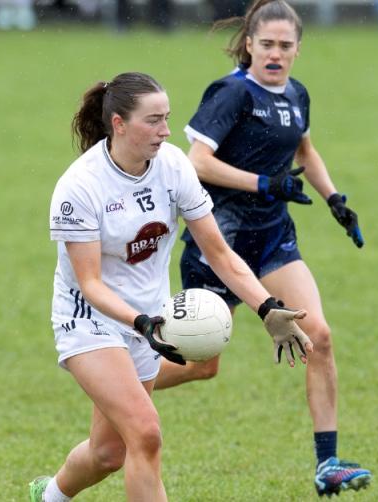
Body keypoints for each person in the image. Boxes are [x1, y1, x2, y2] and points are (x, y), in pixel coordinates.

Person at [30, 71, 313, 502]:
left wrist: (268, 308)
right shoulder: (80, 187)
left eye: (167, 118)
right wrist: (142, 323)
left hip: (152, 320)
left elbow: (218, 252)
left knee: (109, 453)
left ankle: (47, 497)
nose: (165, 131)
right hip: (92, 321)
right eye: (153, 120)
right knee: (146, 434)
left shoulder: (173, 165)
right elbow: (89, 283)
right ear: (119, 124)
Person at [151, 0, 373, 496]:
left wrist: (334, 199)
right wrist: (263, 183)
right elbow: (197, 163)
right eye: (266, 44)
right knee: (202, 365)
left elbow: (304, 151)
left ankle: (327, 463)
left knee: (318, 333)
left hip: (273, 238)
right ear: (249, 44)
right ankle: (125, 385)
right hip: (219, 241)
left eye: (285, 46)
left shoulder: (296, 95)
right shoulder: (231, 93)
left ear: (298, 49)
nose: (275, 54)